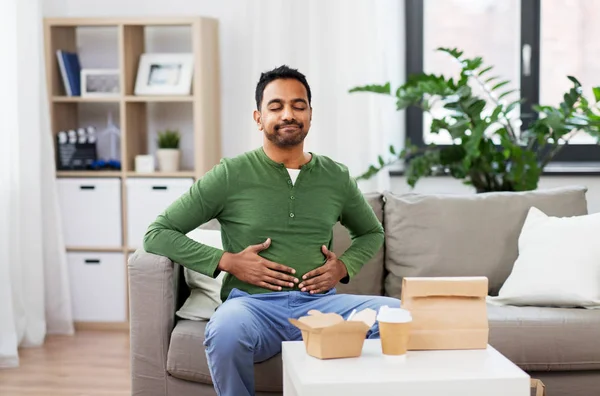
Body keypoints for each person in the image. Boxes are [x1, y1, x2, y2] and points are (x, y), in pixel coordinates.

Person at [143, 65, 401, 396]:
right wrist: (228, 261)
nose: (288, 114)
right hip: (252, 308)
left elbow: (371, 233)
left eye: (298, 105)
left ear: (310, 114)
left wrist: (342, 266)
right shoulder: (230, 174)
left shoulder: (335, 177)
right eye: (276, 106)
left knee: (395, 314)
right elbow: (158, 232)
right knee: (225, 330)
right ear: (258, 117)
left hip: (320, 309)